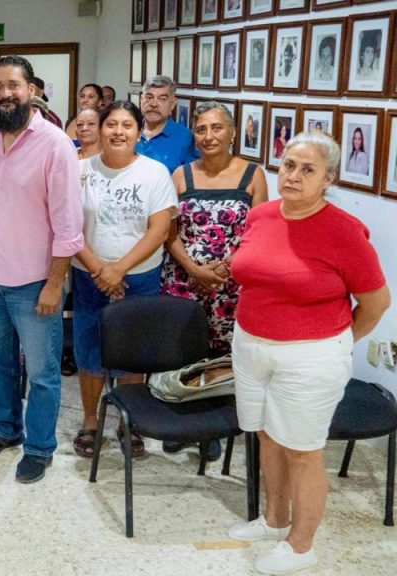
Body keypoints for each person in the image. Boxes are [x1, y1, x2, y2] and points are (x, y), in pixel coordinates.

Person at [228, 131, 390, 575]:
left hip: (310, 356)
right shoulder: (260, 215)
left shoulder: (343, 230)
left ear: (328, 179)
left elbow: (376, 303)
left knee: (302, 450)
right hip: (251, 344)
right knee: (266, 435)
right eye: (288, 165)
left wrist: (336, 342)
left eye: (308, 170)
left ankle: (302, 546)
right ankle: (274, 520)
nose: (294, 176)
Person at [0, 56, 83, 483]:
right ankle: (5, 428)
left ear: (31, 90)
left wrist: (54, 285)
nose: (5, 94)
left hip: (35, 283)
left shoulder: (55, 144)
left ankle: (39, 446)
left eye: (13, 85)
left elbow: (68, 226)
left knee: (41, 372)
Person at [160, 102, 268, 459]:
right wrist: (193, 269)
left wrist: (223, 270)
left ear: (233, 132)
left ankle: (211, 428)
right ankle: (179, 422)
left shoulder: (253, 175)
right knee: (181, 350)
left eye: (217, 128)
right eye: (201, 129)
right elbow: (168, 232)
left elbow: (259, 232)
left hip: (231, 284)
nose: (209, 136)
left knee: (221, 355)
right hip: (183, 278)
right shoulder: (180, 175)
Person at [70, 101, 177, 460]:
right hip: (89, 276)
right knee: (89, 349)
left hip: (140, 278)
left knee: (133, 353)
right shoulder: (79, 170)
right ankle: (90, 420)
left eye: (127, 125)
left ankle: (128, 420)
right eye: (111, 124)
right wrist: (100, 270)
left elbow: (159, 229)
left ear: (138, 131)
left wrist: (119, 269)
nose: (118, 132)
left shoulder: (154, 173)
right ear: (100, 129)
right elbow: (68, 225)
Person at [136, 76, 199, 173]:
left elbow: (192, 177)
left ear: (173, 103)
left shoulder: (185, 138)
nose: (154, 104)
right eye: (149, 97)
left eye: (162, 99)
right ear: (141, 99)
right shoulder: (129, 131)